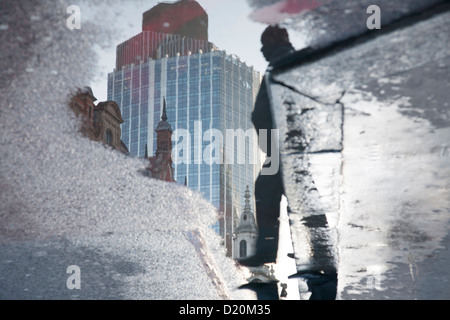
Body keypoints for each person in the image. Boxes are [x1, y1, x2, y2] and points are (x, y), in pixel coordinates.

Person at [239, 25, 295, 267]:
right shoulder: (279, 63)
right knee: (273, 191)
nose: (261, 50)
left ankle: (316, 249)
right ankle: (268, 249)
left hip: (286, 145)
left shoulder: (285, 60)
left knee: (287, 194)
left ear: (276, 39)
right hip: (281, 146)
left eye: (264, 44)